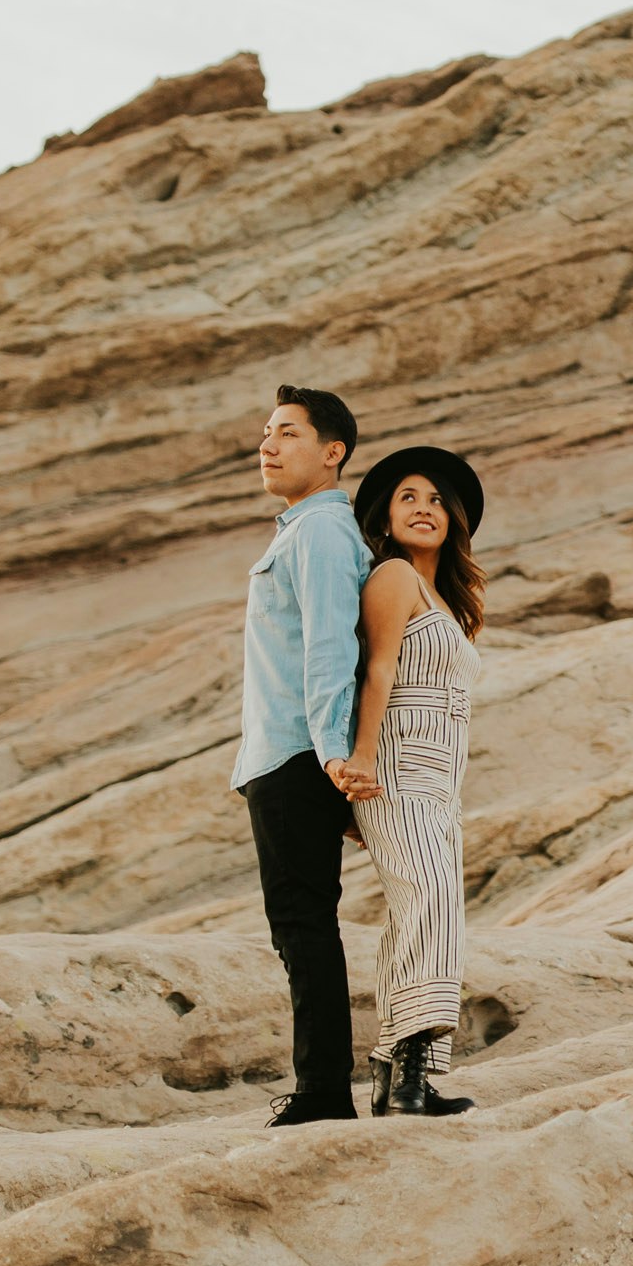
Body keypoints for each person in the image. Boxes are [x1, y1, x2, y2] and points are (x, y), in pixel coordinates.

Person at [232, 385, 380, 1126]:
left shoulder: (321, 533)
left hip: (297, 755)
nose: (267, 444)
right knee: (300, 923)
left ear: (332, 452)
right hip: (288, 755)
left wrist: (331, 760)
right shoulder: (301, 532)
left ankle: (323, 1092)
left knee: (302, 923)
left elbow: (331, 647)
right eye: (265, 432)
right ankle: (322, 1085)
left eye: (286, 432)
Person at [346, 445, 485, 1117]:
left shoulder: (449, 602)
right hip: (397, 771)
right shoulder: (395, 576)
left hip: (440, 784)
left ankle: (397, 1074)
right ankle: (409, 1073)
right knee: (429, 900)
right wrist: (363, 762)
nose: (424, 508)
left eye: (435, 499)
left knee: (423, 913)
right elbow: (375, 671)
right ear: (386, 515)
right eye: (408, 497)